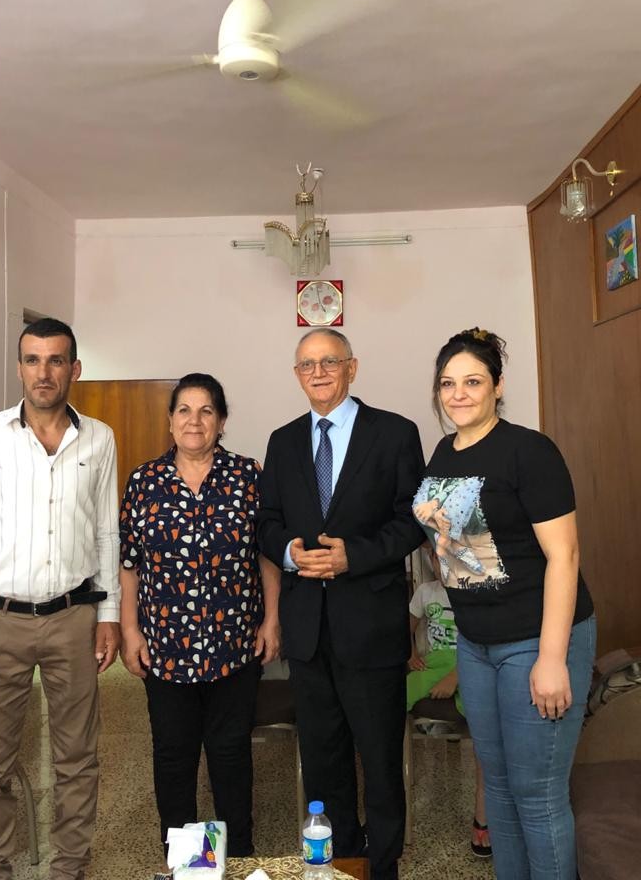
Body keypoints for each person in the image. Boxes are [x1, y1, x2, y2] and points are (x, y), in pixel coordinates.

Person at [0, 317, 120, 880]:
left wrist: (109, 613)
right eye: (33, 360)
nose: (44, 372)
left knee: (77, 758)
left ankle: (71, 867)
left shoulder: (99, 438)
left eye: (56, 360)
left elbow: (106, 533)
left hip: (73, 617)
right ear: (19, 368)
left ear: (74, 369)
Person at [414, 327, 595, 880]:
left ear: (497, 386)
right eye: (448, 383)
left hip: (535, 639)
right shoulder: (443, 453)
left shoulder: (529, 451)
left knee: (536, 793)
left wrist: (551, 658)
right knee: (497, 785)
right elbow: (453, 549)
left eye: (473, 381)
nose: (459, 394)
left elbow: (564, 556)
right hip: (476, 643)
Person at [258, 328, 425, 880]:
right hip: (309, 630)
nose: (319, 373)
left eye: (330, 362)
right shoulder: (283, 441)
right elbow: (267, 521)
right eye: (307, 365)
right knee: (324, 759)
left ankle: (383, 864)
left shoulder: (395, 433)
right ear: (297, 375)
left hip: (371, 627)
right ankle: (341, 860)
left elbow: (412, 522)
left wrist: (354, 556)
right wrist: (288, 552)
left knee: (379, 758)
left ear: (352, 368)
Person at [118, 372, 280, 859]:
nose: (195, 420)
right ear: (170, 421)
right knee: (175, 756)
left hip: (235, 644)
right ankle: (191, 863)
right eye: (184, 410)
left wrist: (272, 619)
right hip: (166, 647)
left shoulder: (248, 476)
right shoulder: (145, 481)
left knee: (230, 754)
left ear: (222, 421)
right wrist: (129, 630)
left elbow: (266, 555)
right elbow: (129, 562)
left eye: (206, 410)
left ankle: (237, 856)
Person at [406, 545, 490, 858]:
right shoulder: (425, 592)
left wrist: (456, 676)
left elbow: (483, 641)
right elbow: (407, 625)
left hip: (471, 660)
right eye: (436, 557)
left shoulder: (474, 591)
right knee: (401, 690)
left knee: (481, 705)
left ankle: (484, 807)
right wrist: (410, 654)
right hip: (435, 661)